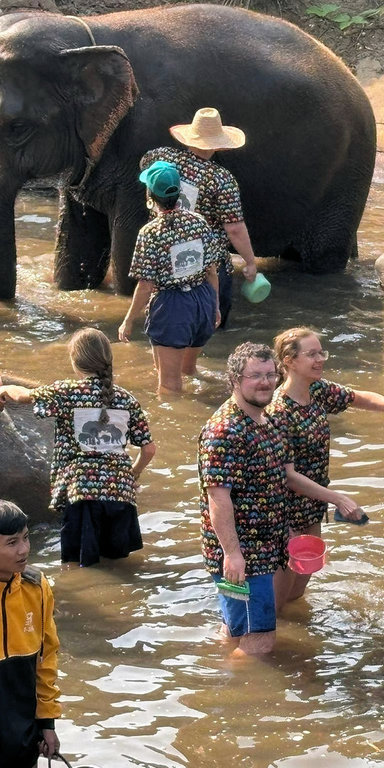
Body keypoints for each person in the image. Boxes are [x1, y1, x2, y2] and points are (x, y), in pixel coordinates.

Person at [197, 342, 367, 655]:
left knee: (236, 630)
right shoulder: (225, 431)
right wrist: (232, 553)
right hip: (246, 554)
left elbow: (285, 478)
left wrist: (331, 501)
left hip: (267, 544)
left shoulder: (268, 421)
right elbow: (218, 499)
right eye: (255, 376)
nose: (264, 382)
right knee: (260, 639)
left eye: (269, 375)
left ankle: (220, 669)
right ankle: (233, 683)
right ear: (234, 380)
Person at [268, 327, 384, 607]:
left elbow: (356, 397)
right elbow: (288, 476)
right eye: (312, 354)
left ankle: (297, 633)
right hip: (282, 511)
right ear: (290, 361)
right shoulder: (278, 411)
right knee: (278, 601)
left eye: (322, 353)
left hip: (311, 506)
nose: (320, 360)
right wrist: (338, 499)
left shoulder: (317, 390)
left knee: (299, 591)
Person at [0, 329, 156, 567]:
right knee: (119, 567)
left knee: (80, 567)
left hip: (82, 494)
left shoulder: (67, 392)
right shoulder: (128, 400)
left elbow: (24, 397)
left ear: (74, 360)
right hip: (121, 496)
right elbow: (149, 450)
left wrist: (4, 389)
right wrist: (132, 474)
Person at [140, 107, 258, 328]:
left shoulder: (161, 157)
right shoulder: (222, 180)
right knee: (210, 327)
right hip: (206, 263)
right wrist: (250, 262)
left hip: (164, 258)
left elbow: (144, 166)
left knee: (165, 324)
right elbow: (234, 229)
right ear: (218, 144)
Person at [119, 160, 221, 395]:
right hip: (203, 301)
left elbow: (146, 286)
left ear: (150, 195)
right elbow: (212, 271)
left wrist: (129, 320)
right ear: (179, 192)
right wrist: (215, 307)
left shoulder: (150, 233)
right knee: (188, 371)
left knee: (168, 384)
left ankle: (171, 417)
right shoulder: (199, 222)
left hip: (172, 307)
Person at [0, 501, 60, 766]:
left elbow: (46, 658)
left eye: (26, 537)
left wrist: (47, 722)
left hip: (22, 733)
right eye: (12, 542)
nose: (24, 549)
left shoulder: (36, 586)